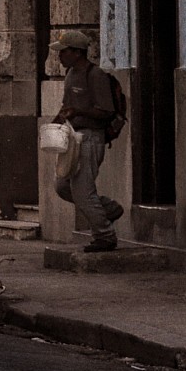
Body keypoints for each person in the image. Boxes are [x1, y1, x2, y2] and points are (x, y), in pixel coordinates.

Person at [52, 30, 126, 252]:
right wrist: (56, 122)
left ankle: (104, 236)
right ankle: (109, 210)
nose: (59, 56)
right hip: (73, 138)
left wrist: (78, 111)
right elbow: (67, 107)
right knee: (63, 186)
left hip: (91, 138)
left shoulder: (95, 75)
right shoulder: (70, 74)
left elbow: (106, 111)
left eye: (63, 52)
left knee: (83, 191)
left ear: (77, 52)